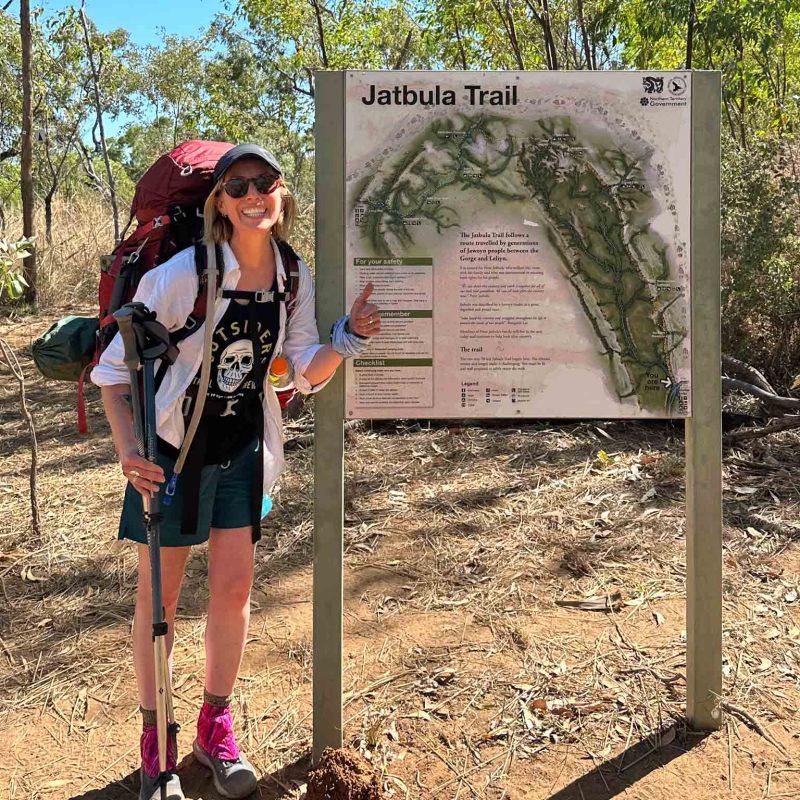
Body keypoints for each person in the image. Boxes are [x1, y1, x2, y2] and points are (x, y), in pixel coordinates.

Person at [92, 143, 381, 800]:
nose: (254, 195)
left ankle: (213, 730)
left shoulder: (291, 275)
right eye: (240, 186)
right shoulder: (182, 276)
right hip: (172, 455)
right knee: (158, 604)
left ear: (282, 197)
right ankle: (155, 745)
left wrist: (347, 339)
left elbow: (301, 370)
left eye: (266, 184)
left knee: (232, 593)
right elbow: (112, 370)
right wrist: (129, 449)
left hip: (244, 452)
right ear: (221, 204)